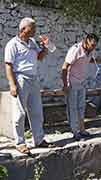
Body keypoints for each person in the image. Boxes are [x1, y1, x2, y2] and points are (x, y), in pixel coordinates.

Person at [4, 17, 54, 154]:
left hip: (33, 79)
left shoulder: (32, 42)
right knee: (20, 113)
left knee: (37, 111)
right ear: (23, 29)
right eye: (33, 27)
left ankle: (39, 139)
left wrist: (45, 47)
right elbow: (8, 65)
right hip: (20, 78)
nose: (35, 30)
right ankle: (20, 143)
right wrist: (12, 84)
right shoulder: (12, 44)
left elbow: (39, 57)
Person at [62, 33, 101, 140]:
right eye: (92, 45)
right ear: (86, 41)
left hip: (82, 82)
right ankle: (75, 132)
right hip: (72, 82)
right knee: (73, 108)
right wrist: (65, 85)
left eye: (95, 46)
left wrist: (97, 61)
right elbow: (65, 67)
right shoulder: (75, 50)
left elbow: (84, 61)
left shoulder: (89, 51)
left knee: (81, 107)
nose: (93, 48)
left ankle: (82, 129)